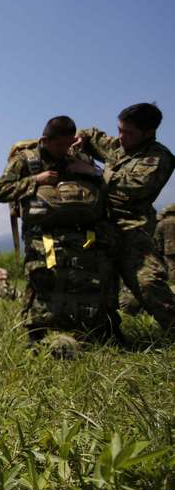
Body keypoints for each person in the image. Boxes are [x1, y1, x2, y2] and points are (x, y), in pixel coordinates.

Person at [0, 115, 119, 347]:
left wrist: (91, 171)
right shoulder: (26, 160)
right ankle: (35, 333)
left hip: (80, 231)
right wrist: (35, 181)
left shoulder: (77, 157)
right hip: (41, 233)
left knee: (86, 278)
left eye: (68, 144)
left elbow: (101, 190)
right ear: (45, 140)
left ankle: (98, 328)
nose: (64, 150)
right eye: (59, 145)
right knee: (41, 278)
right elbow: (0, 191)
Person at [75, 103, 175, 332]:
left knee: (148, 283)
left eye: (128, 132)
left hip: (132, 228)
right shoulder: (118, 146)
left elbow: (136, 186)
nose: (120, 137)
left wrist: (96, 172)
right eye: (119, 129)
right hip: (100, 225)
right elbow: (91, 134)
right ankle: (105, 333)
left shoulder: (159, 158)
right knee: (97, 284)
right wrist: (81, 139)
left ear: (149, 132)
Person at [154, 204, 175, 282]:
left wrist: (159, 249)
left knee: (172, 267)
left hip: (168, 248)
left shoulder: (161, 223)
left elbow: (158, 237)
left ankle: (173, 283)